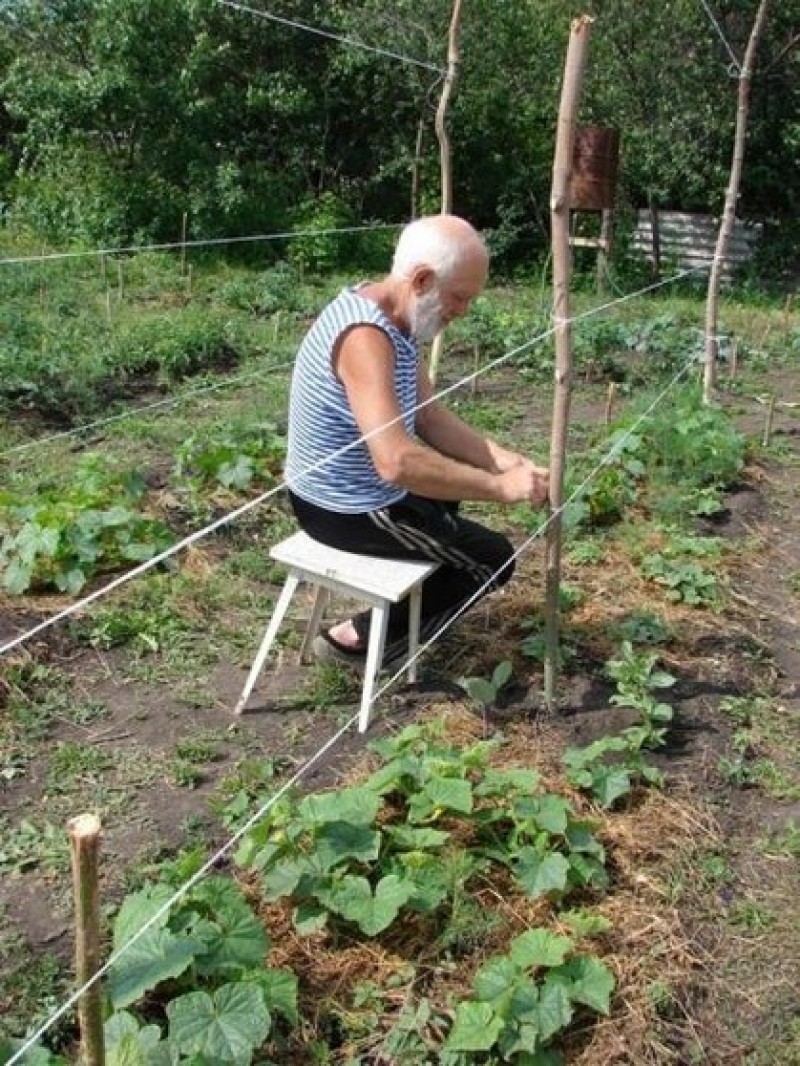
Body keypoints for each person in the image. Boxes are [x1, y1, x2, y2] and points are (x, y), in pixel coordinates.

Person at [284, 213, 549, 669]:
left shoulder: (398, 320)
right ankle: (358, 640)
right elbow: (397, 463)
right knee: (493, 560)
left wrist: (504, 461)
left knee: (448, 508)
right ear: (423, 279)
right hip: (345, 508)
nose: (463, 310)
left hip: (361, 494)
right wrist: (500, 489)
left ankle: (407, 609)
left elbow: (429, 417)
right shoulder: (366, 338)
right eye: (459, 297)